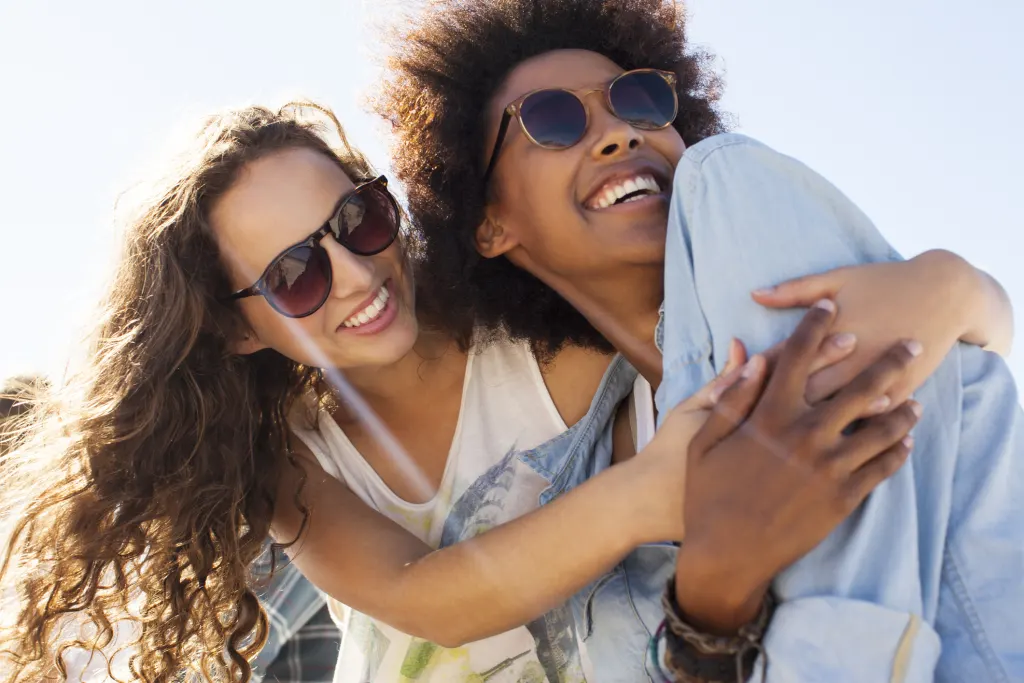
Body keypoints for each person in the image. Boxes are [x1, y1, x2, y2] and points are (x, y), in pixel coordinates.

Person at [0, 102, 917, 683]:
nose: (356, 276)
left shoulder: (543, 339)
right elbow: (424, 596)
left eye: (358, 220)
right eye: (294, 275)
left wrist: (958, 289)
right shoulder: (295, 455)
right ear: (241, 328)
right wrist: (646, 494)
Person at [375, 0, 1023, 680]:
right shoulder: (583, 495)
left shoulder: (729, 182)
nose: (619, 133)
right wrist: (709, 607)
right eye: (553, 119)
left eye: (640, 100)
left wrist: (961, 287)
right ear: (490, 223)